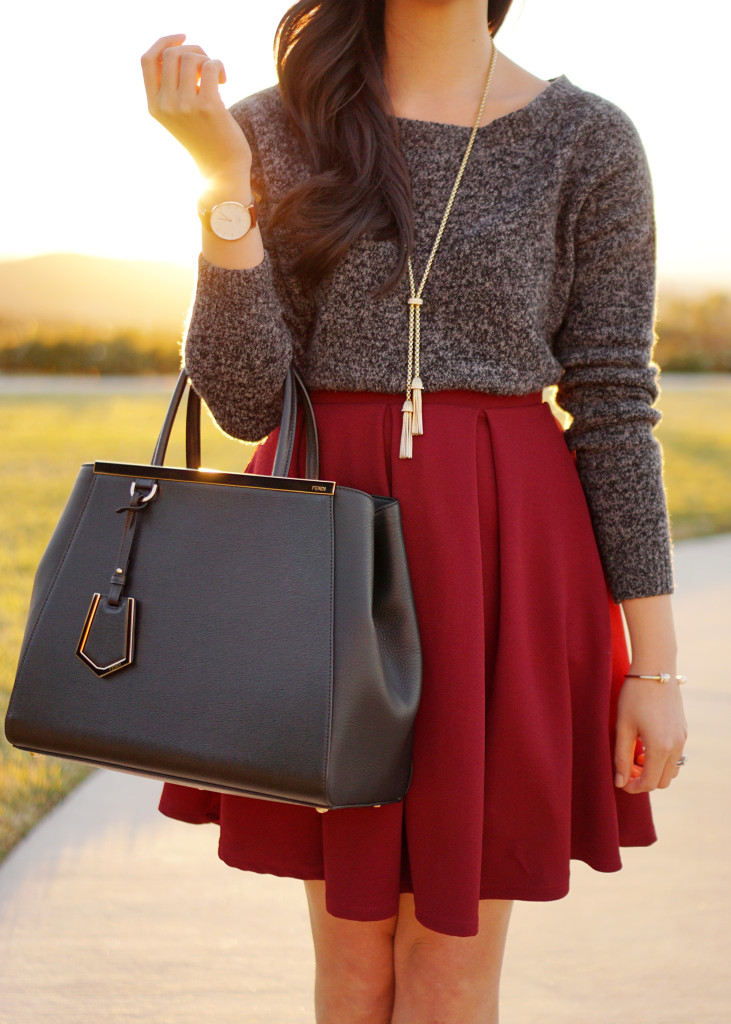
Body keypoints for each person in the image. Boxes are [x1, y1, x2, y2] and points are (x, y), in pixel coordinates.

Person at [140, 2, 688, 1021]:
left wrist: (651, 666)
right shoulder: (273, 126)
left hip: (502, 568)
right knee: (352, 964)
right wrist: (223, 186)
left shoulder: (587, 140)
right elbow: (244, 398)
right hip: (319, 559)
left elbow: (614, 403)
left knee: (450, 967)